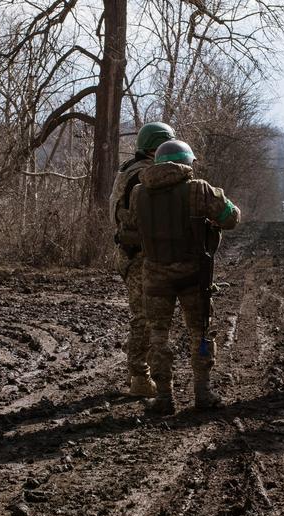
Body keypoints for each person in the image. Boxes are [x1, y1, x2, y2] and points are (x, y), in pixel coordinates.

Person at [130, 139, 241, 414]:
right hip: (194, 275)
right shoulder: (198, 189)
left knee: (158, 337)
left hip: (154, 276)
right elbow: (232, 218)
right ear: (187, 163)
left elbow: (132, 227)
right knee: (200, 332)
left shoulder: (138, 193)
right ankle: (202, 392)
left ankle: (164, 398)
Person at [109, 122, 175, 397]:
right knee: (144, 318)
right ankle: (139, 378)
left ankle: (140, 374)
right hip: (137, 257)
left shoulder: (131, 170)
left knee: (145, 317)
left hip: (131, 253)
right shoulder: (144, 176)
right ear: (156, 148)